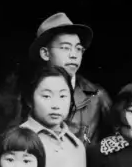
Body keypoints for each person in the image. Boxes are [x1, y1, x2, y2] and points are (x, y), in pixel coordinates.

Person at [24, 12, 112, 145]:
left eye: (78, 49)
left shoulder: (97, 97)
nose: (74, 55)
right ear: (45, 53)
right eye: (65, 48)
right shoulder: (24, 95)